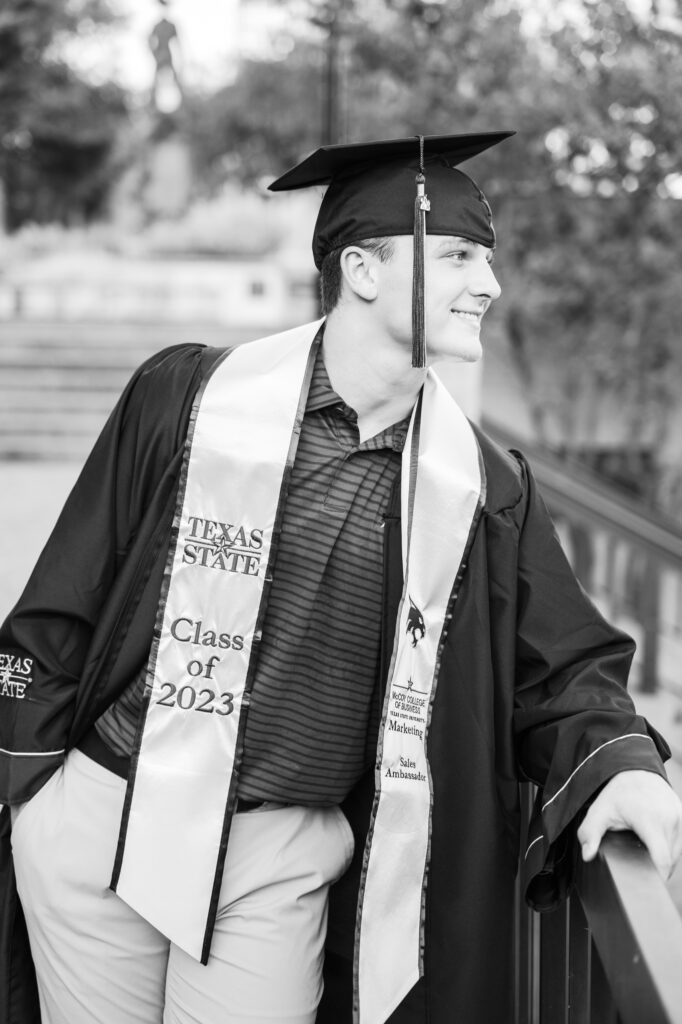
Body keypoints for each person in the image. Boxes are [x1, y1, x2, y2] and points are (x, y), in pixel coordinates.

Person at [1, 132, 681, 1024]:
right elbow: (63, 602)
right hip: (107, 817)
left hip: (274, 853)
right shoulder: (190, 401)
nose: (490, 284)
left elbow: (560, 661)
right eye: (459, 256)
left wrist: (620, 764)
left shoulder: (481, 490)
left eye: (488, 259)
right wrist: (34, 792)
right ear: (362, 269)